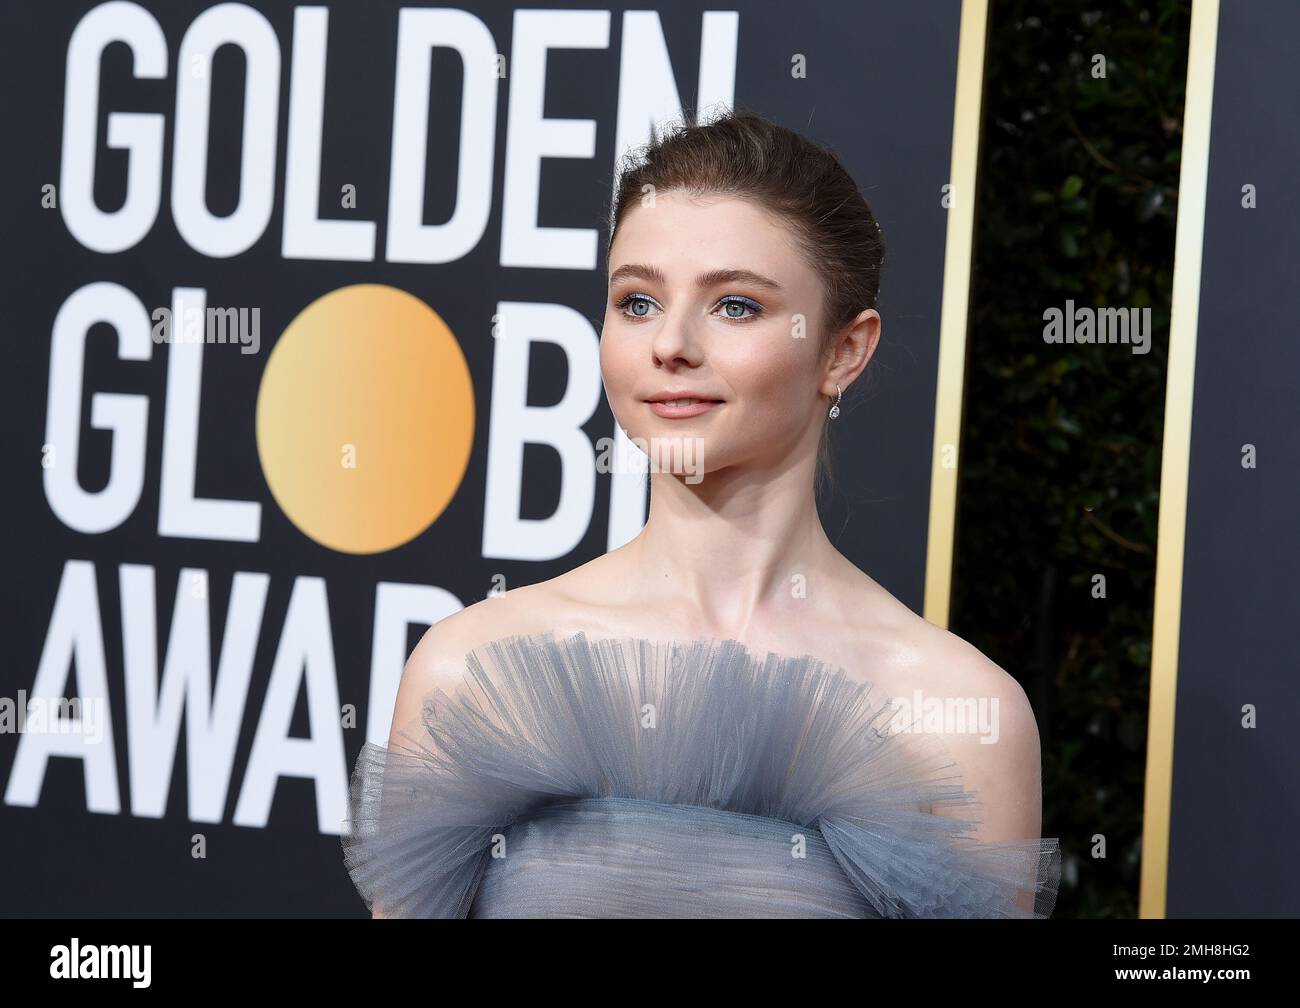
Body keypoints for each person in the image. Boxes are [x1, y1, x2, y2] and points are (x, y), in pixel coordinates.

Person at [342, 109, 1061, 918]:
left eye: (737, 307)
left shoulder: (957, 715)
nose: (671, 344)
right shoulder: (472, 669)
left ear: (843, 351)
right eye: (638, 302)